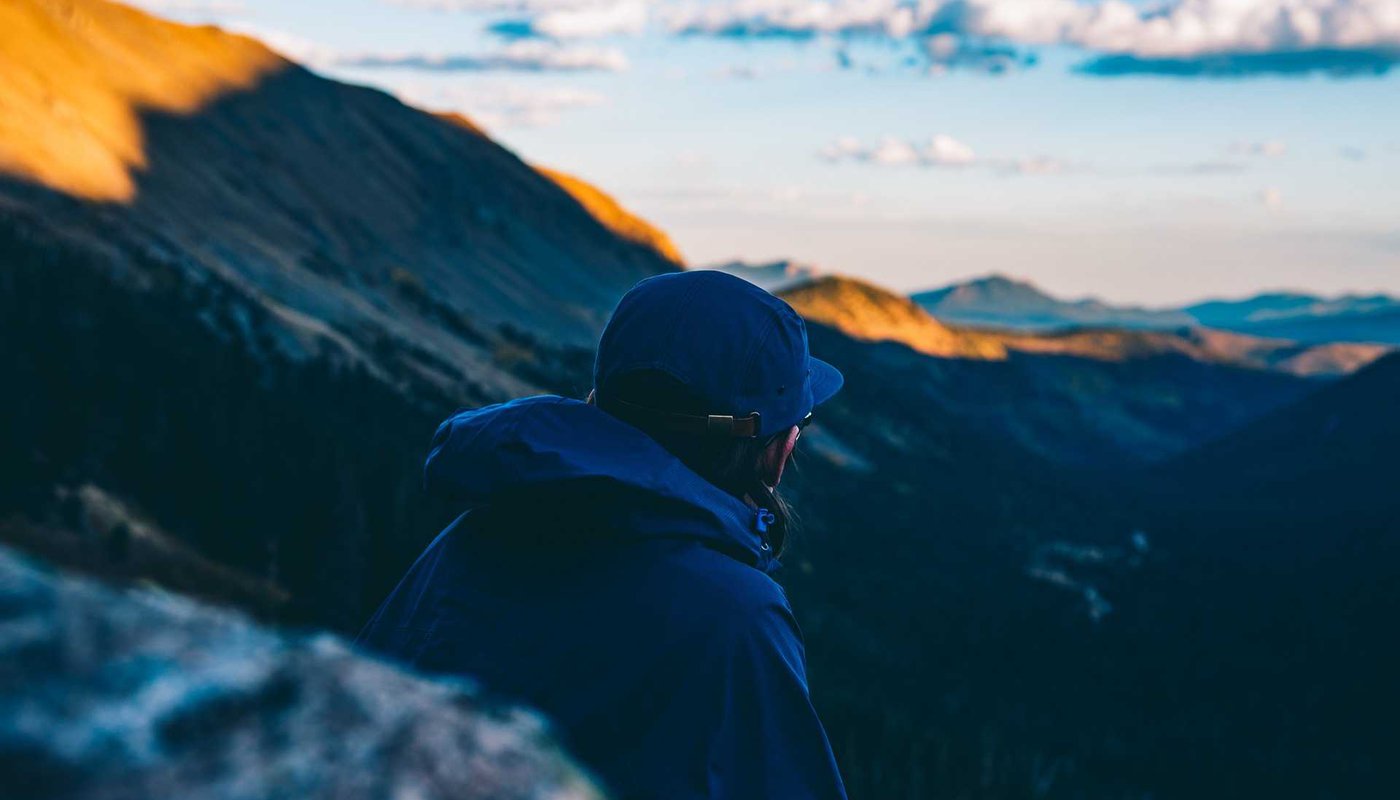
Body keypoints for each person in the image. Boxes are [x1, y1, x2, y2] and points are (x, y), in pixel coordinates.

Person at [356, 270, 848, 799]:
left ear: (600, 397)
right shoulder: (737, 617)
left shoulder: (477, 533)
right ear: (776, 453)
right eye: (801, 420)